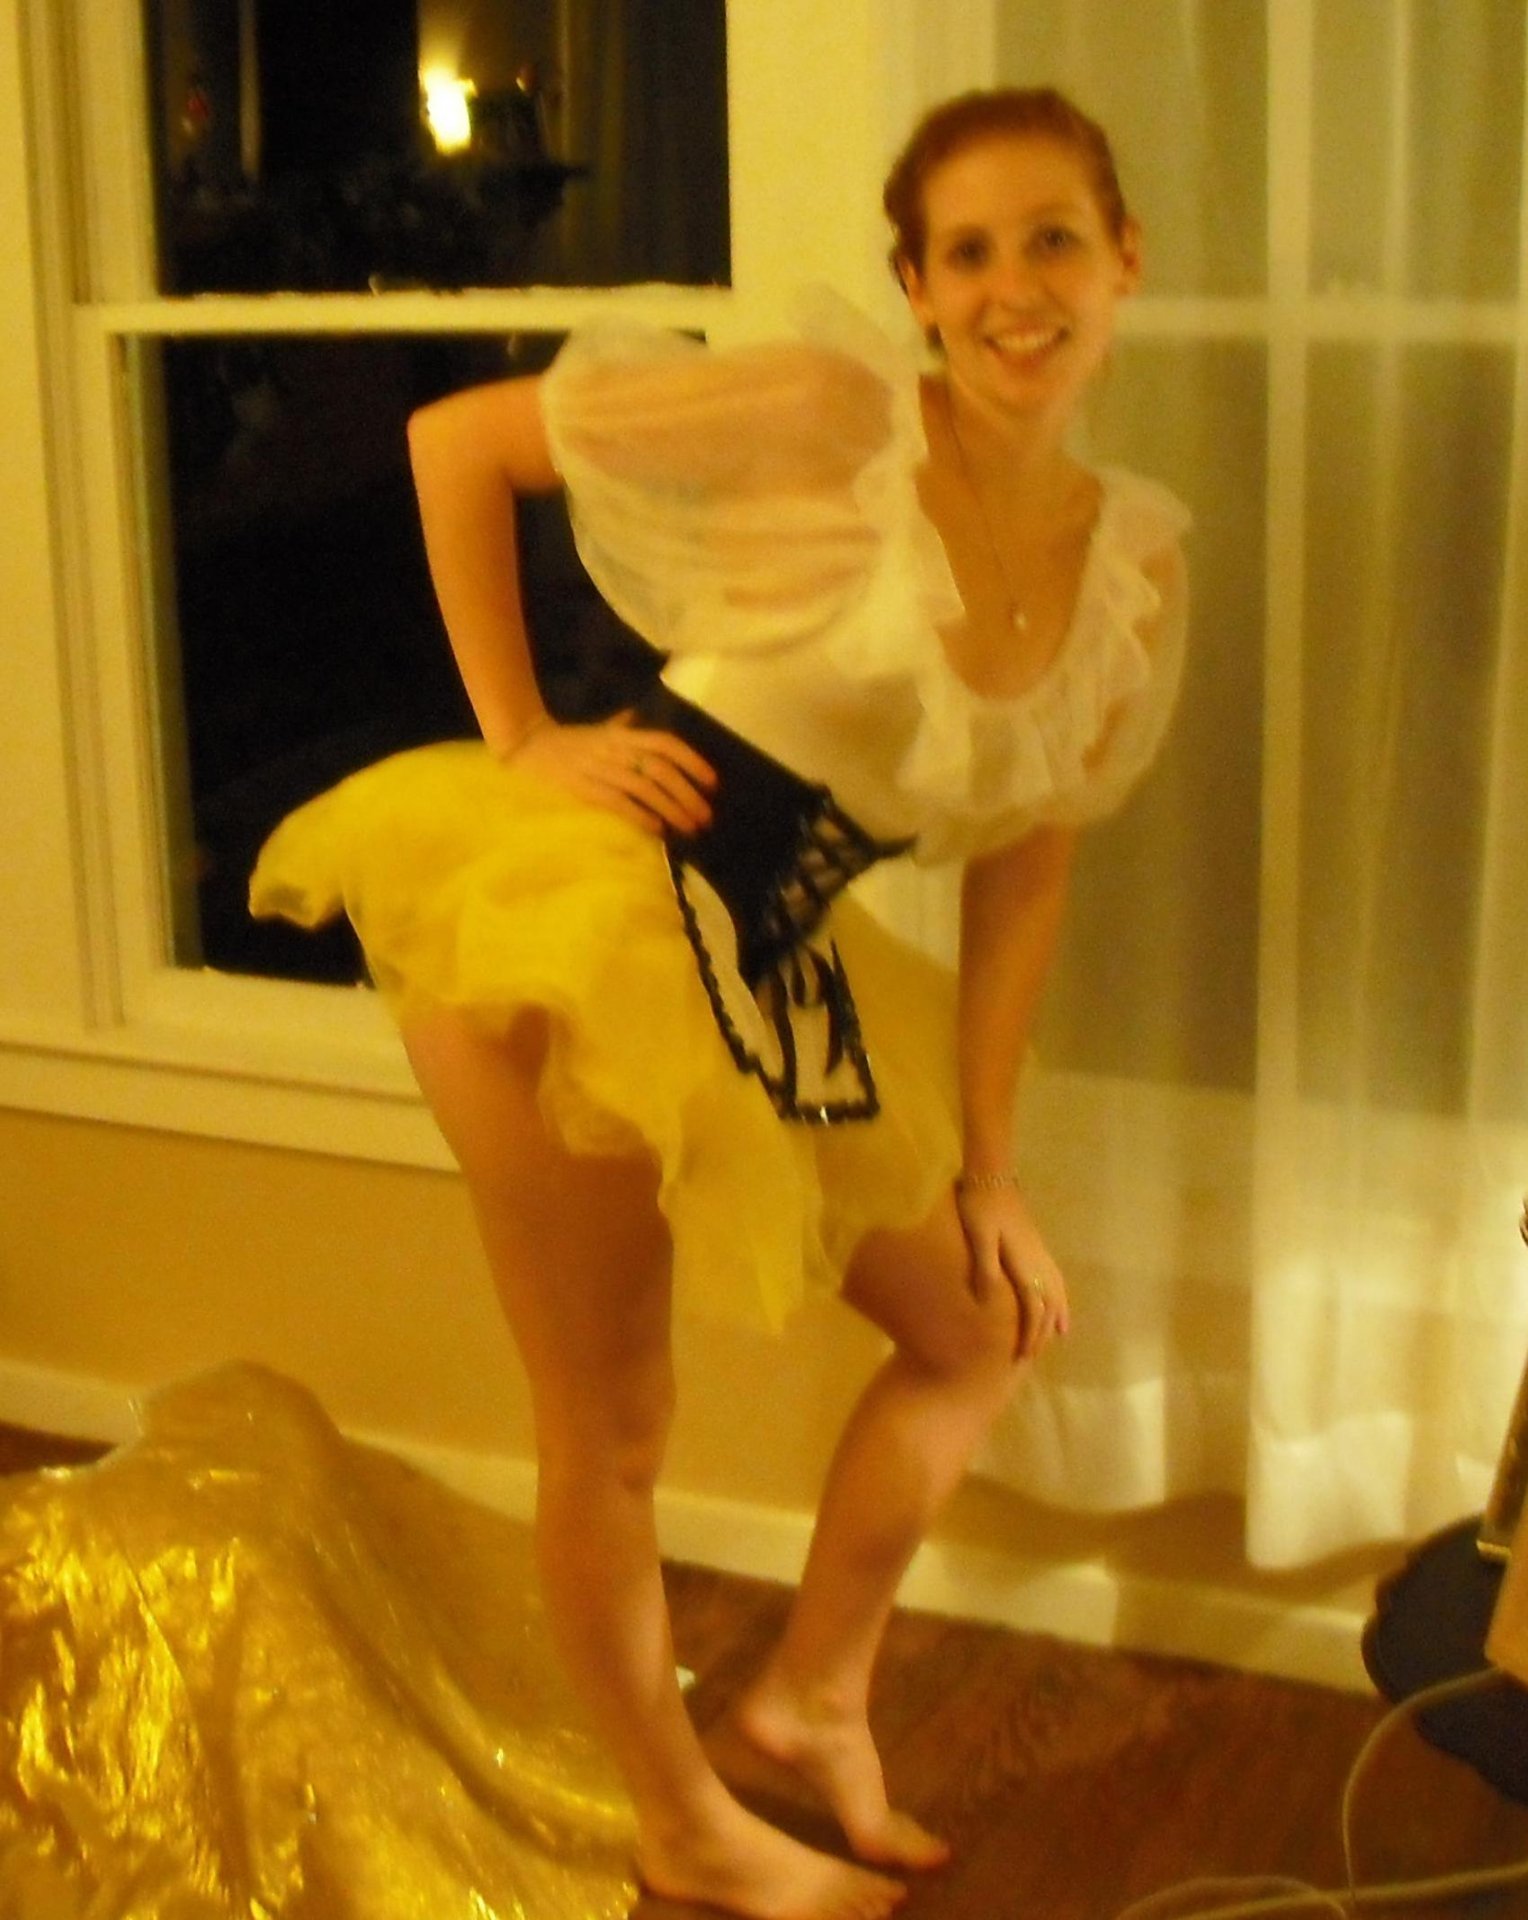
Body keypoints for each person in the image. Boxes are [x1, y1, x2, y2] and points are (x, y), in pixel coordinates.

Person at [251, 85, 1189, 1920]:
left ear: (1123, 261)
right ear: (916, 288)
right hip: (576, 929)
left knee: (979, 1328)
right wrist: (522, 735)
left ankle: (810, 1700)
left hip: (776, 957)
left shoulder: (1130, 560)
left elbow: (1027, 875)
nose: (1015, 288)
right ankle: (679, 1820)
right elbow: (459, 444)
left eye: (1054, 240)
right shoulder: (833, 414)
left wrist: (993, 1171)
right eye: (969, 252)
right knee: (612, 1424)